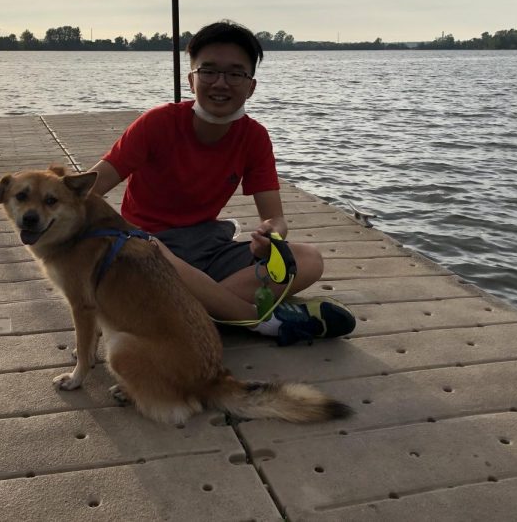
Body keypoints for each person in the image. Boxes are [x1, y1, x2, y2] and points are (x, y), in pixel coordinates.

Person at [87, 20, 356, 346]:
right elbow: (88, 189)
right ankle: (263, 321)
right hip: (148, 250)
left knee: (308, 259)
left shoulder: (254, 137)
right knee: (152, 248)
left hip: (207, 248)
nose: (221, 83)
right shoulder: (157, 124)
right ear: (192, 79)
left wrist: (270, 238)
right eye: (209, 71)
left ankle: (185, 315)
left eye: (235, 74)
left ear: (251, 86)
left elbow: (276, 219)